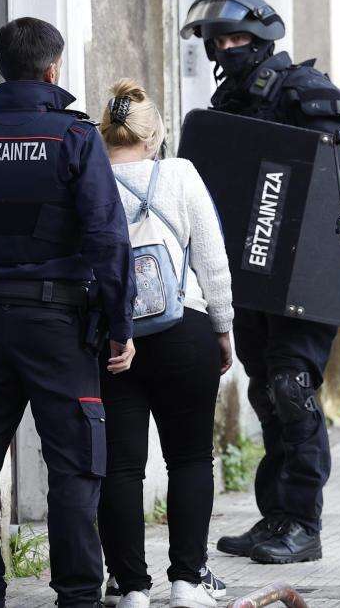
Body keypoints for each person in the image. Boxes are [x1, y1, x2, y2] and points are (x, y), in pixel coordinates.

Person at [0, 17, 135, 608]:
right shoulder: (75, 138)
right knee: (73, 467)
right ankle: (78, 597)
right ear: (52, 69)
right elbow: (108, 237)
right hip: (60, 326)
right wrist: (121, 326)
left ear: (1, 65)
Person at [179, 0, 340, 565]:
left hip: (303, 278)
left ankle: (303, 522)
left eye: (236, 40)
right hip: (253, 273)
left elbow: (339, 178)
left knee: (292, 388)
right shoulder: (226, 99)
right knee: (265, 392)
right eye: (218, 42)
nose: (226, 49)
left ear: (262, 41)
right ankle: (275, 516)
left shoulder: (308, 92)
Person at [93, 79, 234, 608]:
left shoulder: (87, 178)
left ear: (105, 135)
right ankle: (187, 581)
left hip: (113, 340)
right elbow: (213, 260)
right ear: (155, 137)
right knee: (192, 458)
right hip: (184, 331)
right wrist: (221, 328)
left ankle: (130, 587)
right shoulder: (179, 174)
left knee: (122, 466)